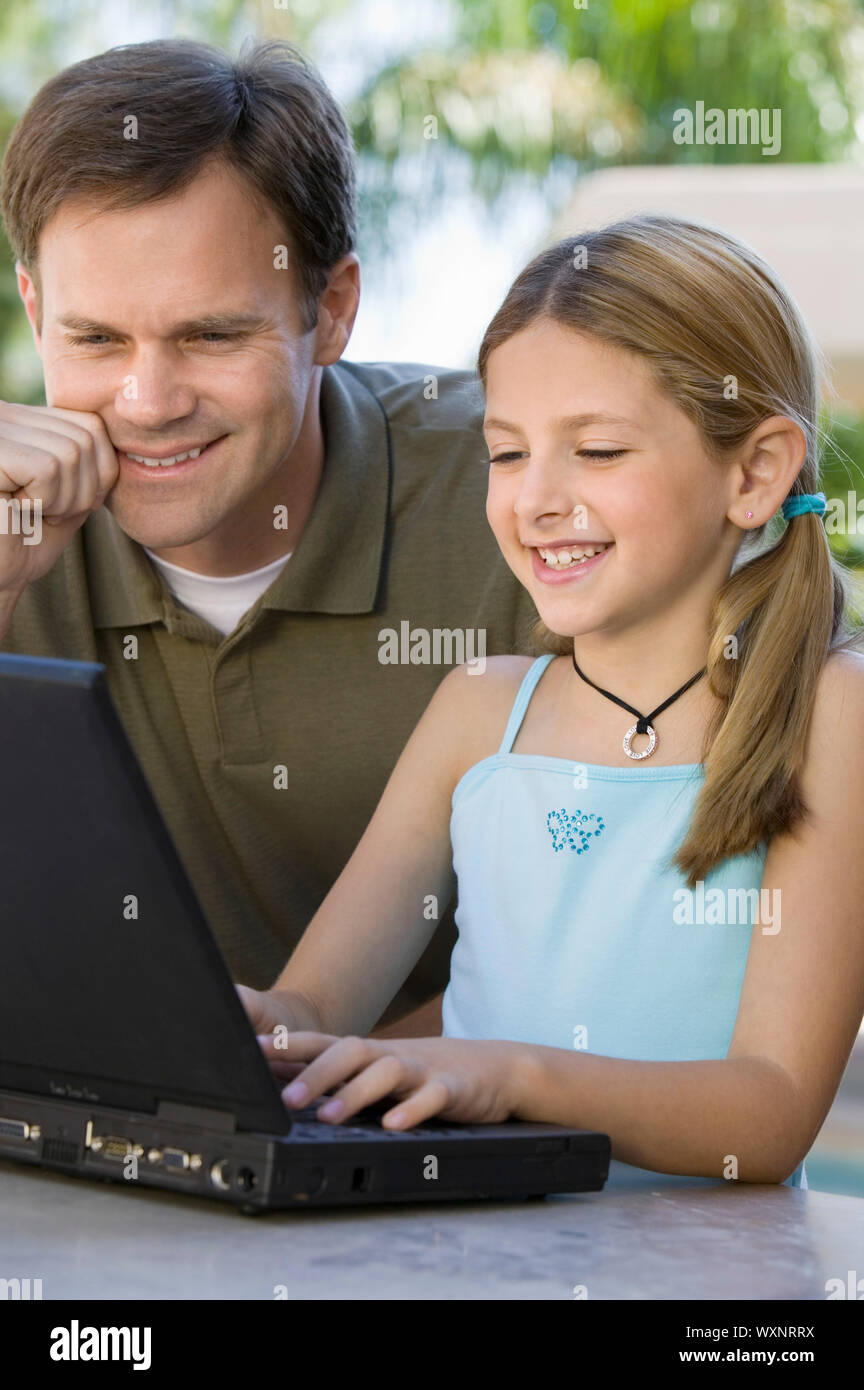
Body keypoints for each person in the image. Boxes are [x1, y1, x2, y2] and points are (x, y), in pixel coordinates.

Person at [240, 214, 864, 1186]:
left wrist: (511, 1074)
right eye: (507, 452)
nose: (536, 499)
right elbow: (314, 1006)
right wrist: (238, 1022)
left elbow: (771, 1109)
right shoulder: (478, 711)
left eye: (599, 452)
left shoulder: (833, 710)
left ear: (755, 472)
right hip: (468, 1254)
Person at [0, 38, 537, 1034]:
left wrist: (307, 1096)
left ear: (329, 311)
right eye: (95, 339)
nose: (148, 401)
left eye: (210, 335)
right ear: (35, 312)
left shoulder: (526, 496)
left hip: (502, 1160)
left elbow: (656, 942)